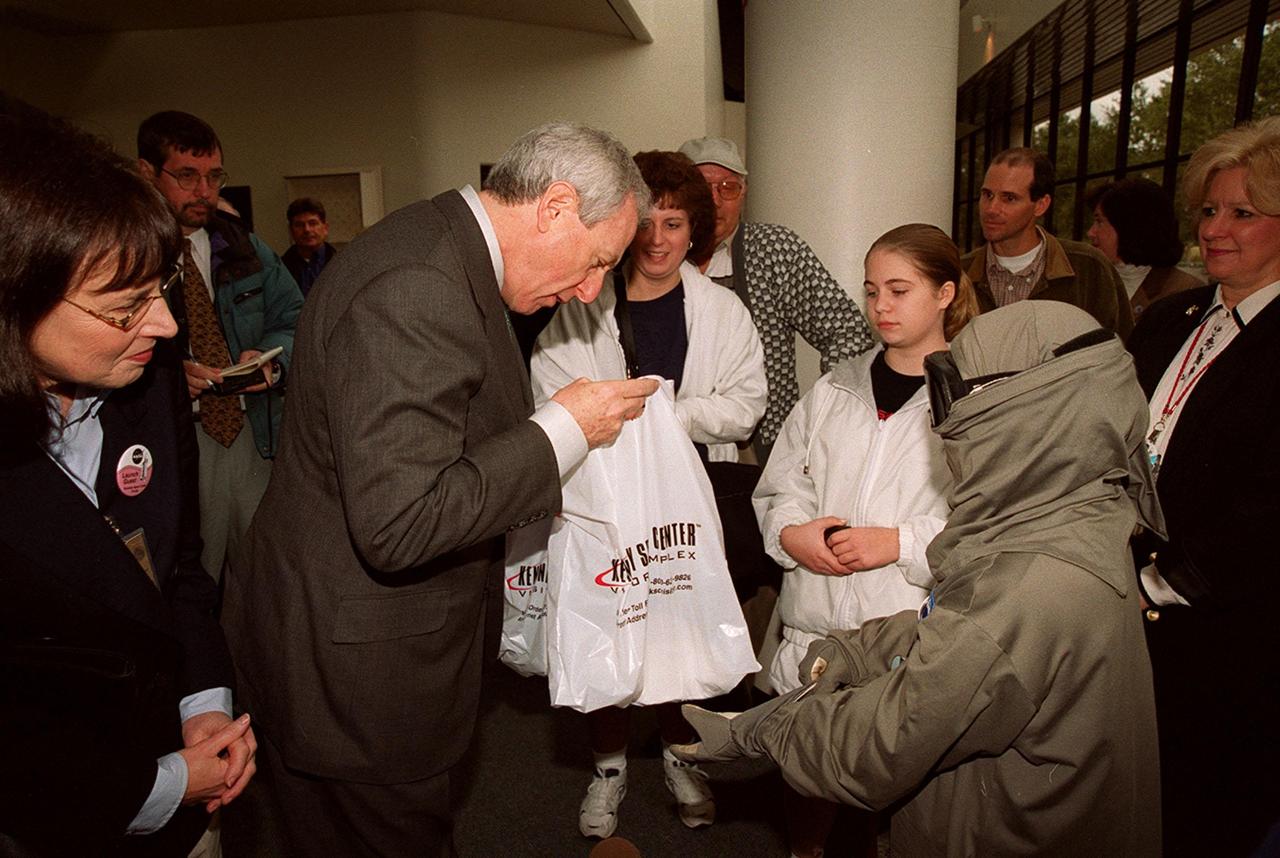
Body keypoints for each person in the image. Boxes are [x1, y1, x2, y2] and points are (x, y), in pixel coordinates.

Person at [220, 122, 658, 857]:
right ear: (554, 206)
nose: (589, 289)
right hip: (357, 673)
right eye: (596, 262)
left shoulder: (440, 248)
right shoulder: (420, 284)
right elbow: (401, 522)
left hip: (354, 644)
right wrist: (563, 430)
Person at [673, 301, 1163, 858]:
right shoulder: (1077, 510)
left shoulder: (1029, 578)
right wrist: (858, 652)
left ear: (1023, 418)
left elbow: (883, 745)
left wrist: (760, 730)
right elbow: (964, 638)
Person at [0, 96, 255, 856]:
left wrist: (203, 705)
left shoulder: (146, 380)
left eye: (163, 292)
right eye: (125, 306)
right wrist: (162, 785)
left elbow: (176, 570)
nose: (167, 327)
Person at [530, 150, 767, 839]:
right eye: (648, 223)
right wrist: (634, 416)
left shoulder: (722, 311)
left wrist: (661, 412)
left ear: (696, 231)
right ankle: (608, 768)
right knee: (612, 621)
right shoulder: (581, 307)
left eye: (676, 223)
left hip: (688, 499)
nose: (660, 240)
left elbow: (745, 405)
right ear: (625, 226)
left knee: (678, 626)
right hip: (602, 498)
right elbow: (552, 389)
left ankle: (676, 754)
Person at [752, 223, 977, 858]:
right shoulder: (833, 388)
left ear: (944, 294)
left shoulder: (972, 398)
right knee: (809, 766)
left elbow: (988, 524)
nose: (880, 306)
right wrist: (791, 532)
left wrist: (901, 543)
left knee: (902, 779)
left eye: (900, 290)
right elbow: (781, 485)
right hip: (816, 621)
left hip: (903, 628)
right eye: (872, 290)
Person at [1127, 115, 1280, 857]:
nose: (1216, 228)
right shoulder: (1166, 322)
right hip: (1127, 619)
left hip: (1227, 639)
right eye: (1209, 209)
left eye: (1242, 213)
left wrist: (1161, 583)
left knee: (1203, 817)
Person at [136, 111, 304, 583]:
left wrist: (273, 361)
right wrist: (168, 378)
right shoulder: (130, 254)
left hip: (252, 433)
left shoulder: (245, 248)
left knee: (263, 571)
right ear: (146, 173)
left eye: (213, 177)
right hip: (177, 438)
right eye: (187, 176)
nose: (204, 192)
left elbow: (295, 319)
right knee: (190, 574)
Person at [678, 136, 874, 462]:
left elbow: (847, 330)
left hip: (756, 449)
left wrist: (823, 411)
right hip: (672, 442)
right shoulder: (654, 256)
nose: (714, 201)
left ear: (743, 193)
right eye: (702, 187)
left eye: (727, 187)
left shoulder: (773, 249)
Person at [965, 147, 1134, 337]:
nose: (991, 209)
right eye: (987, 195)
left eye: (1009, 198)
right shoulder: (958, 272)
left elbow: (1124, 348)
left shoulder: (1088, 267)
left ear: (1041, 205)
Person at [1086, 177, 1201, 319]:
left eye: (1099, 221)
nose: (1090, 232)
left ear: (1130, 226)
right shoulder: (1091, 286)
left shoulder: (1186, 293)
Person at [281, 196, 337, 297]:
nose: (307, 230)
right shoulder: (280, 269)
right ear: (290, 230)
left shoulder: (340, 265)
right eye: (299, 225)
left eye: (313, 223)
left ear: (325, 228)